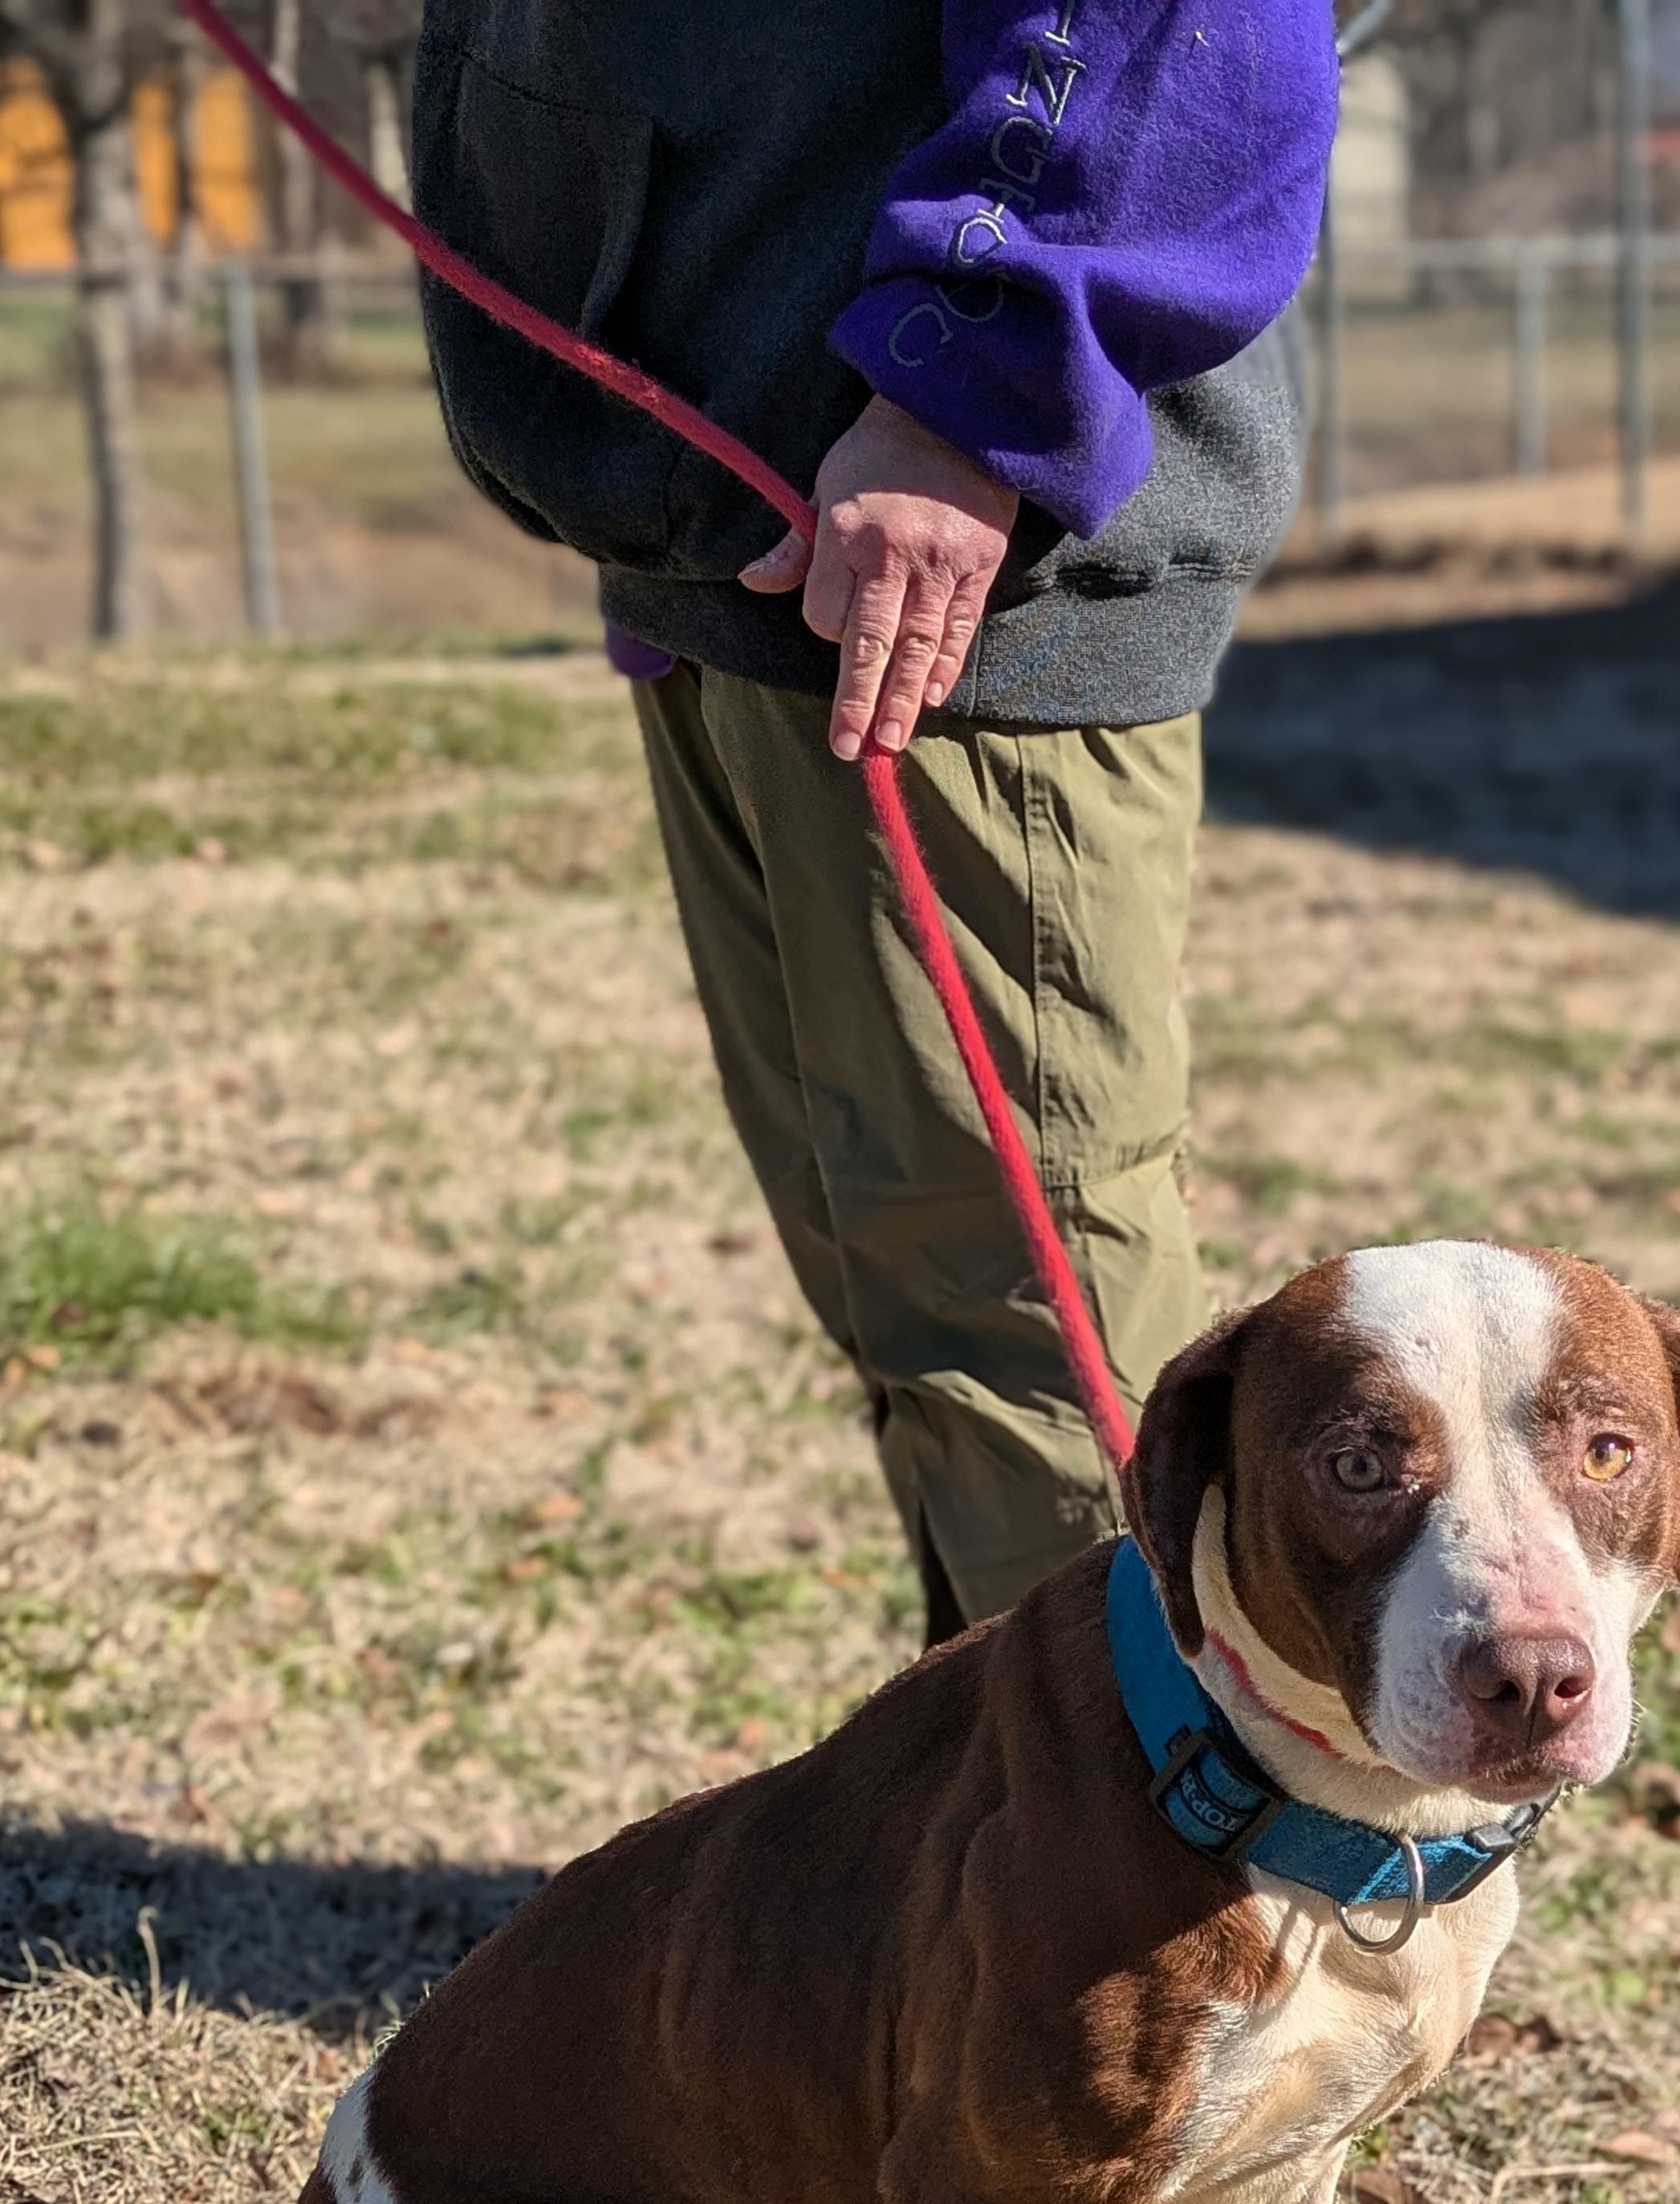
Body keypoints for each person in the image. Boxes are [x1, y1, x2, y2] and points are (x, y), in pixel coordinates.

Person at [413, 2, 1341, 1640]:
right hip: (743, 546)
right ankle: (1013, 1838)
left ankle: (1169, 1879)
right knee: (906, 1301)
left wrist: (976, 366)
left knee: (1020, 1333)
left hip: (944, 552)